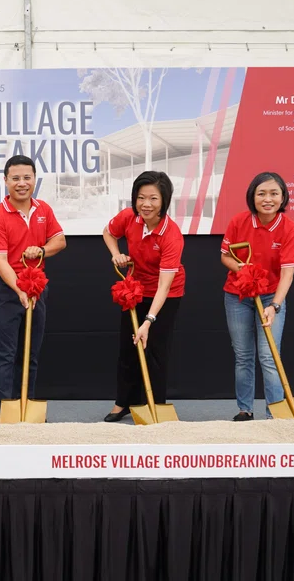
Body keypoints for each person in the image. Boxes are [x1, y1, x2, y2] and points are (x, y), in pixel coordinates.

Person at [0, 155, 66, 422]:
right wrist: (19, 289)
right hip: (6, 290)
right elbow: (1, 261)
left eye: (27, 177)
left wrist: (42, 250)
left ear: (34, 179)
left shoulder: (44, 210)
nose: (22, 183)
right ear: (5, 181)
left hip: (37, 287)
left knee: (30, 353)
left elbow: (60, 241)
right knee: (3, 354)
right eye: (15, 178)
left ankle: (25, 405)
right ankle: (2, 413)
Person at [102, 171, 185, 422]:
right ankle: (123, 402)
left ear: (164, 201)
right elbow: (108, 232)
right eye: (140, 198)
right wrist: (116, 254)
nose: (146, 204)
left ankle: (154, 404)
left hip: (165, 294)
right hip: (134, 290)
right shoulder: (129, 218)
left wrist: (149, 321)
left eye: (153, 199)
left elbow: (164, 285)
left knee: (155, 351)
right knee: (128, 348)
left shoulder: (172, 235)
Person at [220, 172, 294, 421]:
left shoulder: (289, 228)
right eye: (261, 193)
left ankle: (274, 413)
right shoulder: (238, 221)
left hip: (270, 298)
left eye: (274, 193)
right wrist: (244, 271)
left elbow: (287, 274)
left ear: (283, 197)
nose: (268, 199)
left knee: (269, 356)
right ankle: (245, 409)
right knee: (243, 356)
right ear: (252, 196)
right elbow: (226, 256)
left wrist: (275, 305)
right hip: (238, 297)